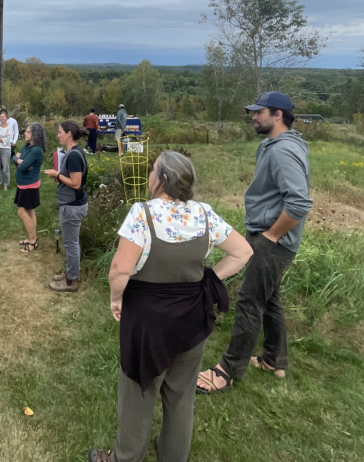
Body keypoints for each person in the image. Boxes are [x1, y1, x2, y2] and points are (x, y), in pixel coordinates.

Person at [88, 152, 252, 462]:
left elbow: (120, 271)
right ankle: (172, 455)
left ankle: (125, 457)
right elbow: (243, 251)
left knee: (138, 391)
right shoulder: (204, 214)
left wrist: (115, 298)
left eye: (153, 170)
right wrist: (210, 280)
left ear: (162, 179)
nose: (150, 174)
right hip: (192, 317)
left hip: (148, 323)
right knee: (181, 395)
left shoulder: (143, 215)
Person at [197, 91, 312, 394]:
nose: (253, 116)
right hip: (269, 236)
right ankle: (275, 359)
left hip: (273, 240)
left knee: (249, 300)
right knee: (269, 298)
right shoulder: (273, 146)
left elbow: (299, 204)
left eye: (259, 112)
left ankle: (227, 370)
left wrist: (271, 235)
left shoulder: (282, 151)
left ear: (277, 114)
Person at [44, 119, 88, 292]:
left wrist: (56, 174)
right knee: (71, 242)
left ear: (69, 134)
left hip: (72, 205)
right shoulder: (74, 152)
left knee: (70, 243)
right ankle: (70, 273)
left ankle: (70, 282)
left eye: (60, 132)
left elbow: (76, 183)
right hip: (73, 204)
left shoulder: (74, 155)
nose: (58, 135)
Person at [14, 122, 45, 253]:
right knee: (30, 210)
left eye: (27, 131)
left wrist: (21, 161)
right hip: (23, 184)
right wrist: (18, 159)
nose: (25, 133)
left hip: (29, 185)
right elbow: (14, 158)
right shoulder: (27, 147)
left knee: (22, 212)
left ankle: (33, 241)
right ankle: (32, 237)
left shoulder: (37, 150)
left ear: (34, 134)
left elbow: (22, 166)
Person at [0, 110, 15, 190]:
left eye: (3, 117)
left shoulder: (9, 128)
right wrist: (2, 138)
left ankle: (5, 185)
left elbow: (7, 140)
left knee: (5, 168)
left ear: (6, 117)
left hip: (5, 149)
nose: (2, 118)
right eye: (1, 117)